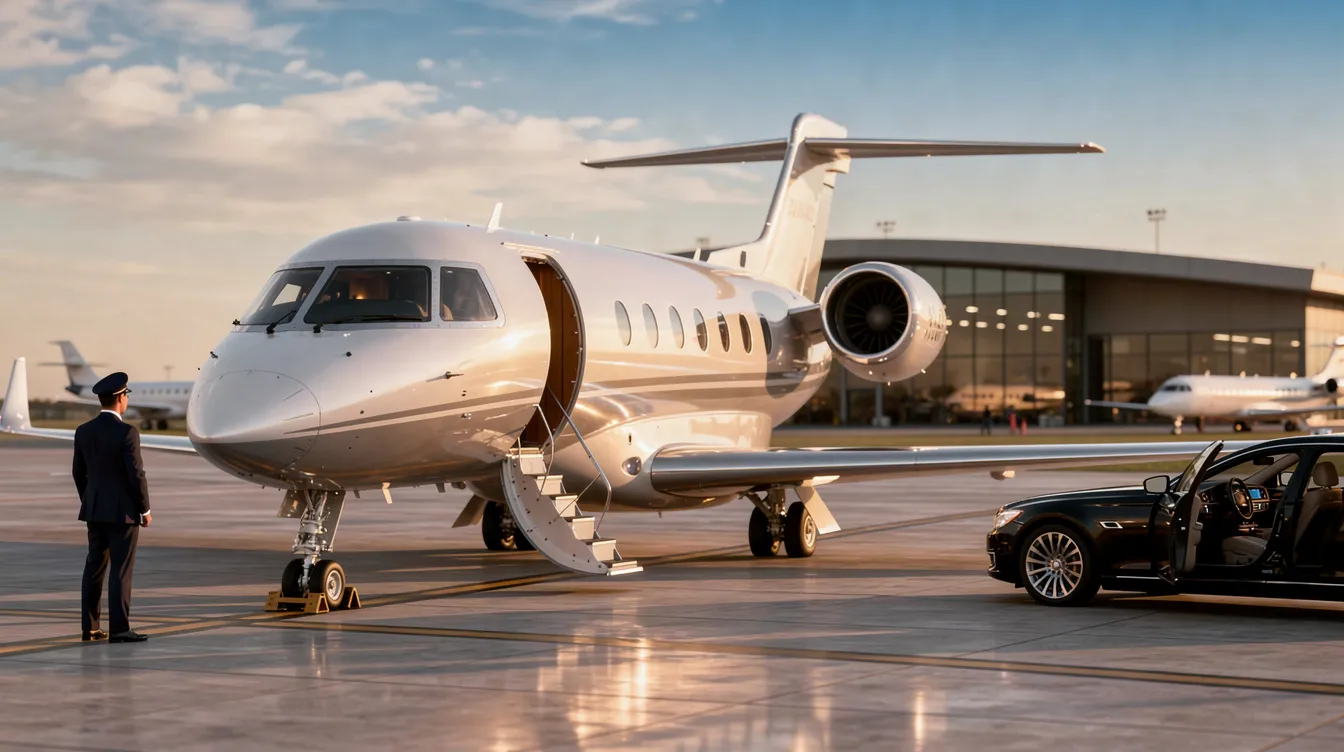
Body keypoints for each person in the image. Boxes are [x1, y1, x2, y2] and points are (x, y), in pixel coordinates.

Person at [73, 372, 151, 643]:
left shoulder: (84, 431)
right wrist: (144, 509)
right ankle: (119, 629)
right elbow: (136, 474)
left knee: (94, 568)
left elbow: (78, 473)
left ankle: (91, 627)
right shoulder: (127, 432)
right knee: (120, 570)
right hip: (123, 513)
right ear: (120, 398)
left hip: (94, 510)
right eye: (126, 395)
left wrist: (90, 500)